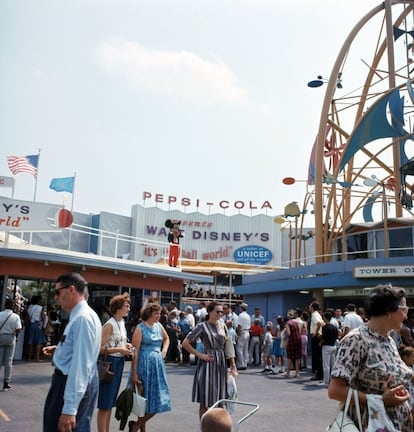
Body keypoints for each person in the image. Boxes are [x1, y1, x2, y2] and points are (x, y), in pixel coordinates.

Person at [328, 284, 413, 432]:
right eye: (404, 310)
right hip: (370, 424)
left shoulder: (389, 339)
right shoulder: (357, 339)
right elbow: (335, 390)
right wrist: (380, 401)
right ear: (388, 311)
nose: (406, 316)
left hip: (395, 423)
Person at [42, 272, 102, 432]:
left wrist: (69, 409)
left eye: (57, 292)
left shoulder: (82, 318)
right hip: (76, 383)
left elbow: (80, 366)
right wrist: (61, 350)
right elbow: (82, 352)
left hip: (69, 384)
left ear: (71, 290)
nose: (56, 297)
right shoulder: (83, 316)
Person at [182, 301, 237, 418]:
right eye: (218, 311)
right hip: (208, 364)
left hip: (221, 363)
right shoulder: (202, 326)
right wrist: (200, 355)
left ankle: (219, 427)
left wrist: (233, 365)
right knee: (205, 398)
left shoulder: (222, 326)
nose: (220, 314)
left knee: (221, 398)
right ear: (210, 312)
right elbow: (185, 343)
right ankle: (204, 427)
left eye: (222, 311)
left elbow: (228, 345)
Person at [128, 303, 171, 432]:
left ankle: (135, 426)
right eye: (156, 313)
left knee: (159, 400)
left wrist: (163, 351)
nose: (159, 316)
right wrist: (134, 373)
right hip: (143, 366)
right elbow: (135, 351)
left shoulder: (159, 326)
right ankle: (141, 428)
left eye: (159, 313)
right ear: (149, 314)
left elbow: (166, 338)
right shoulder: (140, 328)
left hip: (157, 367)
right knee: (143, 399)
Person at [97, 293, 133, 432]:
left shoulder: (121, 323)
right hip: (110, 363)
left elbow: (119, 342)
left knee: (110, 401)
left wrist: (126, 346)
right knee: (105, 402)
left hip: (118, 362)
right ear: (118, 307)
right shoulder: (110, 324)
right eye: (126, 306)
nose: (129, 309)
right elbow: (99, 348)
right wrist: (119, 349)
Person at [0, 297, 22, 391]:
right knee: (9, 361)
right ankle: (6, 382)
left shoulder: (0, 314)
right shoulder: (16, 316)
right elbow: (19, 329)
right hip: (10, 337)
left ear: (4, 305)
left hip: (0, 337)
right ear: (13, 306)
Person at [25, 295, 47, 362]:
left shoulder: (29, 307)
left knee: (30, 341)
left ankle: (29, 357)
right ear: (38, 300)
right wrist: (44, 326)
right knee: (38, 342)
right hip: (37, 325)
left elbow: (27, 318)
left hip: (31, 325)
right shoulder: (40, 308)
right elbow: (43, 318)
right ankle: (37, 358)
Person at [320, 311, 338, 386]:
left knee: (326, 365)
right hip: (333, 346)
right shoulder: (334, 327)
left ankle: (326, 381)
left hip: (326, 347)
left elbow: (323, 338)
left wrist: (320, 340)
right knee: (333, 365)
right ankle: (333, 380)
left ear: (325, 318)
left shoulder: (324, 327)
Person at [283, 311, 301, 378]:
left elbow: (288, 333)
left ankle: (288, 372)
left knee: (290, 357)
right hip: (298, 339)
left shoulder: (288, 323)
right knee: (297, 357)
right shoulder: (296, 322)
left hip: (292, 340)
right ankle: (297, 372)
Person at [309, 301, 324, 381]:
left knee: (316, 356)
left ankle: (319, 374)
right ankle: (319, 373)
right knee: (318, 355)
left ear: (312, 307)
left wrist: (315, 333)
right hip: (319, 335)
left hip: (316, 336)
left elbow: (319, 323)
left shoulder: (314, 314)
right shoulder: (318, 314)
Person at [236, 302, 251, 370]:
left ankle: (241, 364)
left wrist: (238, 334)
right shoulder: (248, 315)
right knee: (245, 349)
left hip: (242, 332)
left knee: (239, 349)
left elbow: (239, 326)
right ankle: (245, 363)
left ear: (241, 308)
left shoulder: (241, 315)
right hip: (247, 331)